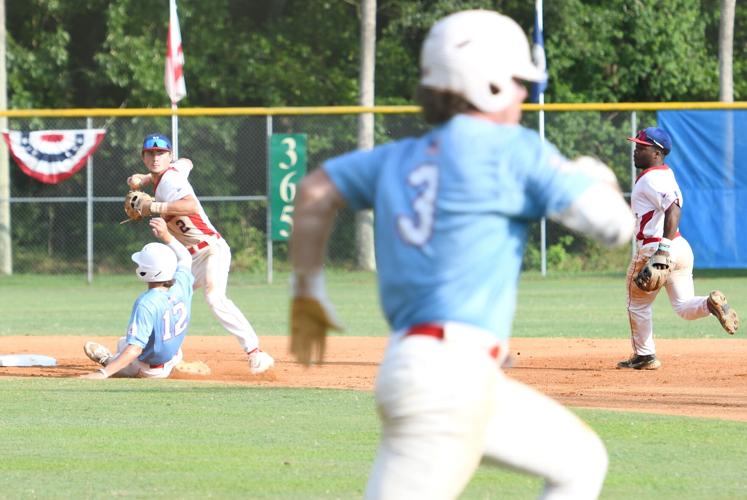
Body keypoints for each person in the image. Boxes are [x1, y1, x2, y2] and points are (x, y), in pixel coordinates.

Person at [289, 9, 635, 500]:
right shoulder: (512, 149)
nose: (524, 95)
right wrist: (596, 175)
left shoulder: (398, 156)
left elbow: (315, 191)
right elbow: (614, 227)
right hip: (447, 382)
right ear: (490, 83)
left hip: (440, 373)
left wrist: (307, 291)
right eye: (519, 82)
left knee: (580, 462)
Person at [126, 133, 274, 375]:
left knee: (215, 298)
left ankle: (256, 353)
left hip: (211, 250)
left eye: (161, 153)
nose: (156, 157)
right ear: (143, 157)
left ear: (168, 155)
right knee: (168, 299)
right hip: (191, 258)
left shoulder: (170, 180)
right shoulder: (169, 173)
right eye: (150, 153)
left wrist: (153, 207)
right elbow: (188, 162)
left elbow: (191, 205)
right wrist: (143, 179)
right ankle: (169, 354)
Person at [619, 127, 739, 370]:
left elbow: (674, 207)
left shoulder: (652, 178)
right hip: (681, 247)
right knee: (684, 307)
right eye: (636, 145)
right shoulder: (664, 174)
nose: (635, 150)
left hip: (657, 248)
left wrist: (663, 248)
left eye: (642, 147)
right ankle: (710, 304)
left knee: (637, 304)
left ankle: (644, 356)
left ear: (657, 152)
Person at [80, 218, 193, 379]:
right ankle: (172, 365)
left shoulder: (146, 302)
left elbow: (135, 349)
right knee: (123, 342)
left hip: (150, 370)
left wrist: (102, 374)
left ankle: (107, 360)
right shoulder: (181, 284)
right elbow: (186, 258)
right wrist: (167, 236)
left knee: (125, 347)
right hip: (174, 355)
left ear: (145, 271)